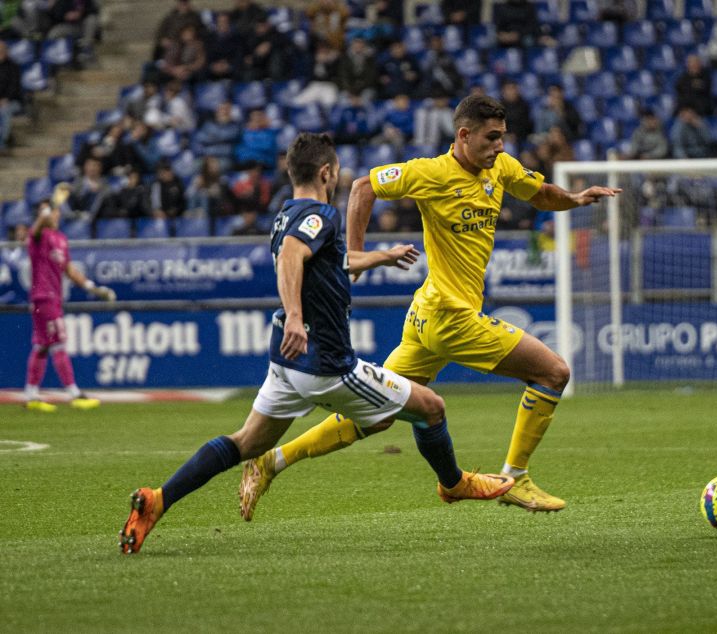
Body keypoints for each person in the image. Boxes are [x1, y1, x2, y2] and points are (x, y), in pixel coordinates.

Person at [119, 132, 514, 553]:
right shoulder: (321, 214)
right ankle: (454, 484)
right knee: (431, 409)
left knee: (248, 441)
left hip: (286, 362)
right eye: (338, 170)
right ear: (326, 172)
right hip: (326, 363)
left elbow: (320, 260)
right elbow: (292, 255)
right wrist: (295, 317)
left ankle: (157, 501)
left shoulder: (287, 212)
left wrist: (380, 256)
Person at [239, 95, 621, 517]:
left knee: (378, 414)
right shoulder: (432, 172)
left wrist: (575, 198)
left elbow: (540, 193)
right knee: (553, 372)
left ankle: (271, 461)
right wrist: (357, 255)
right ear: (463, 135)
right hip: (451, 317)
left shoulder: (502, 167)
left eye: (502, 137)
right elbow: (365, 187)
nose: (499, 146)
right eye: (491, 138)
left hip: (426, 315)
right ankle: (516, 477)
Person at [24, 189, 115, 413]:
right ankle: (74, 392)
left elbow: (69, 270)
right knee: (58, 342)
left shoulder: (61, 239)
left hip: (54, 297)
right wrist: (43, 213)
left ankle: (31, 394)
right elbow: (35, 230)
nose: (54, 215)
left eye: (54, 211)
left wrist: (93, 287)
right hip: (43, 297)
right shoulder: (38, 237)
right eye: (50, 212)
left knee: (42, 345)